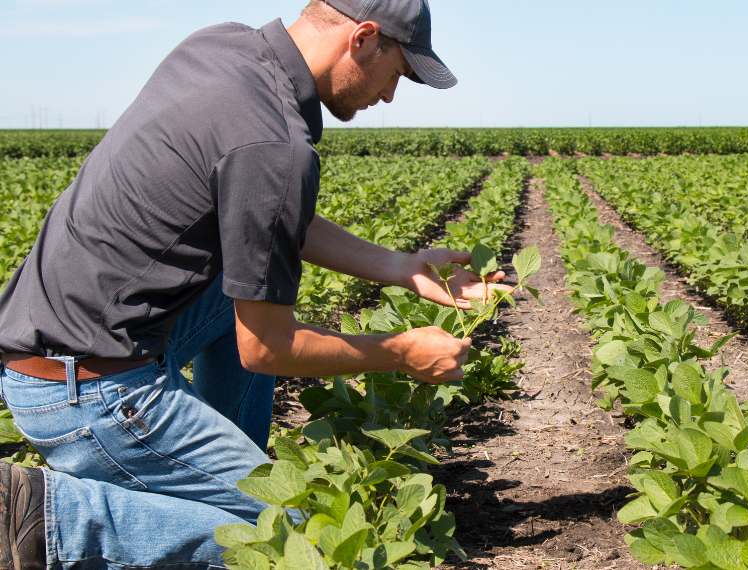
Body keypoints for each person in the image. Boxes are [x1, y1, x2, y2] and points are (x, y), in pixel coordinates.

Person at [0, 1, 501, 568]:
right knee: (288, 538)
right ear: (362, 39)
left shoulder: (223, 47)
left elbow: (265, 215)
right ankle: (52, 516)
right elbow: (265, 349)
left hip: (52, 343)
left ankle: (215, 473)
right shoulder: (275, 144)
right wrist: (400, 352)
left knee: (243, 282)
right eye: (398, 74)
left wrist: (399, 266)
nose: (388, 96)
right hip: (89, 392)